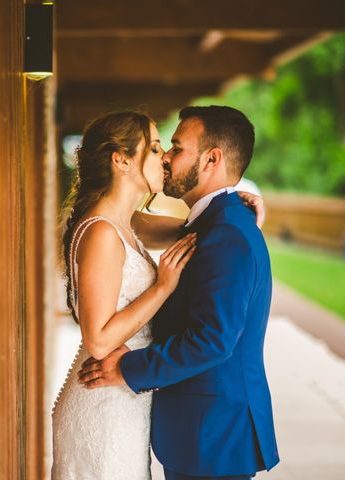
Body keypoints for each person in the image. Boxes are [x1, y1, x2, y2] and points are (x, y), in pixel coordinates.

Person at [52, 110, 265, 479]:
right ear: (121, 160)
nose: (164, 156)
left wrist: (235, 202)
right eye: (154, 147)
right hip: (106, 397)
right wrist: (163, 287)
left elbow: (194, 230)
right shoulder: (105, 229)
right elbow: (99, 339)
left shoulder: (130, 223)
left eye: (170, 148)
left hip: (146, 405)